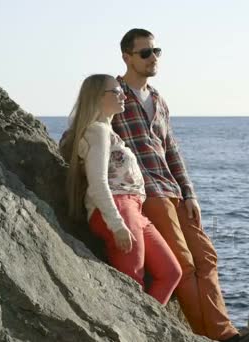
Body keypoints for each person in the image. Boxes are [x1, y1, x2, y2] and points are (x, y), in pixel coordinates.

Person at [111, 29, 249, 342]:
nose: (153, 58)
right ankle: (218, 336)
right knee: (185, 264)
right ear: (127, 57)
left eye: (157, 51)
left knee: (207, 258)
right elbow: (87, 132)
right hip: (146, 192)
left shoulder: (158, 99)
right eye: (145, 53)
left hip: (174, 191)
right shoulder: (113, 95)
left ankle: (223, 331)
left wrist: (190, 194)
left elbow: (172, 150)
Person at [60, 74, 182, 306]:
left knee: (170, 272)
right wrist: (117, 224)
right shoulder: (97, 131)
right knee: (132, 281)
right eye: (116, 92)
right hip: (118, 207)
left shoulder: (108, 131)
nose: (123, 95)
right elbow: (98, 183)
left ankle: (147, 329)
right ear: (97, 97)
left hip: (133, 209)